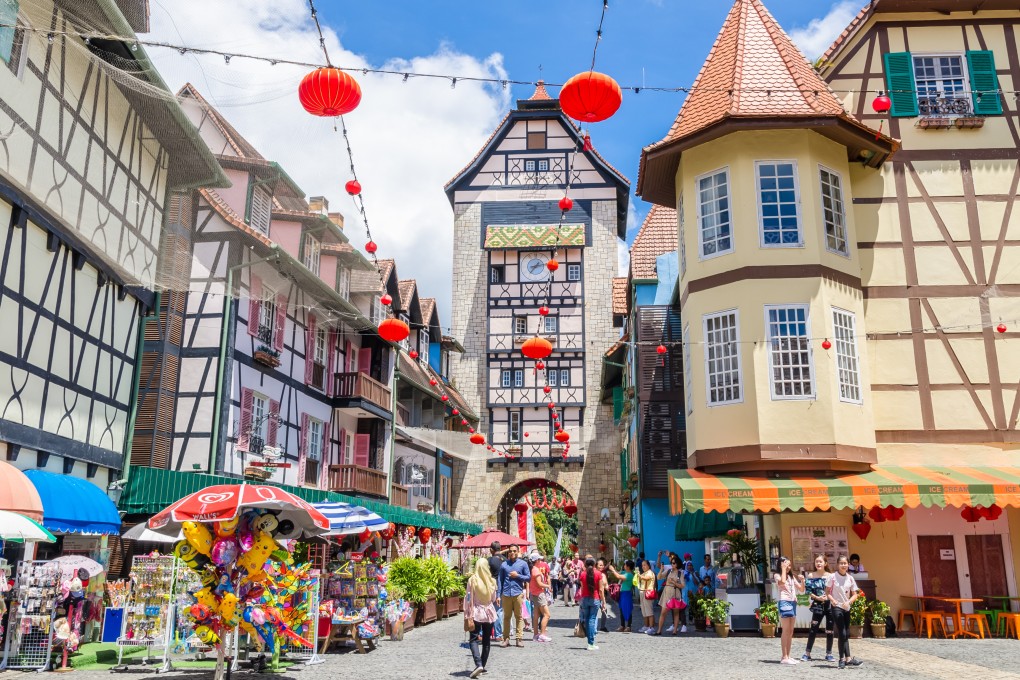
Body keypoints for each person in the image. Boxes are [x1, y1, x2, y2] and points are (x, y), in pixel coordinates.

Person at [828, 555, 863, 669]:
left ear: (848, 565)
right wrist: (832, 600)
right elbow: (827, 591)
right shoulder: (832, 577)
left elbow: (855, 594)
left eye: (845, 563)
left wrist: (848, 602)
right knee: (842, 632)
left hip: (846, 607)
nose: (843, 565)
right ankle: (841, 658)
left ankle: (848, 658)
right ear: (837, 564)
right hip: (836, 606)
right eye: (841, 563)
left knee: (846, 633)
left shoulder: (850, 578)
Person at [465, 557, 498, 679]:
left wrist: (467, 613)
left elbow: (468, 598)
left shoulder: (472, 580)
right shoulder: (492, 581)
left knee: (473, 639)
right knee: (486, 640)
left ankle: (478, 663)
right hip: (489, 612)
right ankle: (482, 666)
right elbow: (493, 598)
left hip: (476, 612)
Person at [802, 554, 835, 663]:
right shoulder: (811, 575)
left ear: (825, 563)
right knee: (813, 629)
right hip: (817, 605)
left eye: (820, 561)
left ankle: (829, 653)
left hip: (829, 605)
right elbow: (808, 591)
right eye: (817, 561)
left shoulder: (831, 576)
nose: (818, 563)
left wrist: (828, 597)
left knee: (830, 630)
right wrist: (817, 597)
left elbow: (834, 590)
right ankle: (807, 653)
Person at [774, 556, 805, 665]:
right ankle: (784, 656)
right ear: (781, 565)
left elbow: (801, 590)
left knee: (791, 631)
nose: (789, 567)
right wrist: (783, 569)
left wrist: (802, 581)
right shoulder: (777, 575)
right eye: (787, 565)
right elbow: (782, 582)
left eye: (789, 565)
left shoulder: (791, 576)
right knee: (785, 630)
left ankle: (788, 655)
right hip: (784, 602)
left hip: (793, 602)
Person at [497, 545, 530, 647]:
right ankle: (506, 639)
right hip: (506, 594)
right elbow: (500, 580)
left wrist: (518, 576)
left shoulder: (523, 564)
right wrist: (498, 595)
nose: (512, 553)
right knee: (506, 617)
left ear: (518, 551)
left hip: (517, 594)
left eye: (514, 551)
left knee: (519, 617)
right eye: (510, 551)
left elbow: (528, 578)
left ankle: (519, 639)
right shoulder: (504, 565)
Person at [651, 553, 686, 635]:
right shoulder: (668, 571)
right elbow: (659, 577)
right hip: (667, 592)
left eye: (674, 563)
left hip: (675, 592)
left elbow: (682, 585)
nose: (672, 564)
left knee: (676, 612)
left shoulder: (680, 573)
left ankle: (675, 630)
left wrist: (674, 582)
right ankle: (659, 630)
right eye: (672, 563)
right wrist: (661, 569)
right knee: (663, 612)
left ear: (677, 564)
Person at [577, 557, 604, 651]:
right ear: (594, 564)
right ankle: (591, 643)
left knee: (587, 619)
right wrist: (603, 601)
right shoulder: (598, 574)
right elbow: (601, 589)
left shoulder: (583, 574)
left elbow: (582, 588)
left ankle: (589, 642)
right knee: (592, 620)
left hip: (584, 599)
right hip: (595, 599)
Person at [528, 550, 551, 642]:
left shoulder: (531, 569)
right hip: (539, 594)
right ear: (536, 560)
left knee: (536, 615)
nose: (540, 561)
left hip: (534, 594)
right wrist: (548, 586)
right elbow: (539, 584)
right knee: (547, 615)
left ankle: (535, 634)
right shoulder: (536, 570)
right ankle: (542, 634)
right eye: (539, 560)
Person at [607, 560, 635, 632]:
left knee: (627, 609)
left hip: (627, 593)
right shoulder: (625, 572)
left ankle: (628, 626)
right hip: (622, 593)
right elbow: (618, 573)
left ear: (628, 567)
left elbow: (618, 576)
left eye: (625, 565)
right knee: (621, 609)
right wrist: (613, 569)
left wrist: (613, 570)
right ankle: (622, 625)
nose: (624, 566)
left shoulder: (629, 575)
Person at [636, 559, 657, 633]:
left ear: (648, 565)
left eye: (645, 565)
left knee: (649, 611)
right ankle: (646, 626)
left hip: (648, 593)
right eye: (642, 565)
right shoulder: (644, 573)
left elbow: (646, 578)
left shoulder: (650, 573)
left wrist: (639, 575)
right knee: (644, 611)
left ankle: (651, 627)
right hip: (642, 592)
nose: (643, 567)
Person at [595, 558, 611, 633]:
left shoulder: (603, 575)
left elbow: (606, 585)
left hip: (602, 595)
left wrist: (611, 588)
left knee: (604, 611)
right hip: (596, 596)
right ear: (596, 566)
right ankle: (594, 628)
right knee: (594, 613)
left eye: (603, 565)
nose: (602, 566)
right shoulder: (594, 574)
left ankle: (602, 626)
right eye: (600, 565)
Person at [683, 561, 699, 626]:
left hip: (693, 591)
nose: (689, 567)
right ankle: (683, 620)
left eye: (690, 565)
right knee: (684, 607)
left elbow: (697, 583)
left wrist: (692, 574)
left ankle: (690, 619)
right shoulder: (683, 573)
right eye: (688, 565)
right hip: (685, 592)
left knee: (691, 607)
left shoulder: (694, 573)